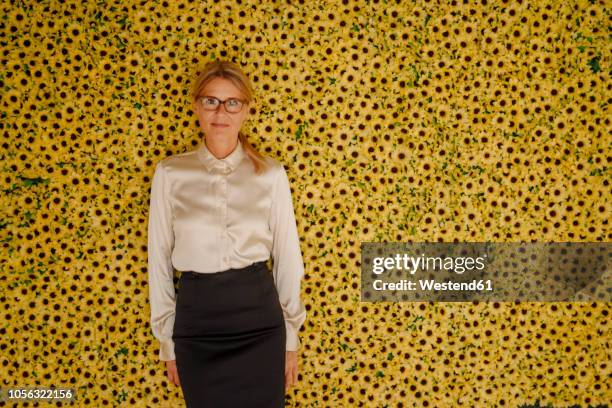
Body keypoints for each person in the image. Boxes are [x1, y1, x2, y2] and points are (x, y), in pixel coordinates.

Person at [147, 59, 307, 407]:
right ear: (197, 106)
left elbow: (288, 259)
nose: (221, 111)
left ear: (246, 110)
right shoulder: (170, 173)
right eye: (211, 101)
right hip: (196, 324)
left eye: (232, 102)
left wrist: (290, 337)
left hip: (260, 324)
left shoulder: (271, 174)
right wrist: (167, 340)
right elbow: (157, 260)